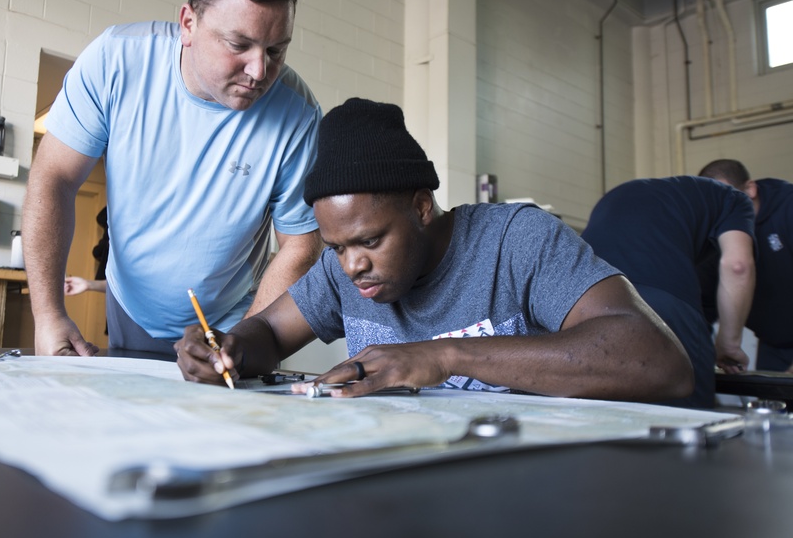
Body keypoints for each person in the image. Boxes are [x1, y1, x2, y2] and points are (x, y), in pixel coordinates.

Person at [176, 98, 694, 404]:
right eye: (336, 247)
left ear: (422, 207)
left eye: (370, 240)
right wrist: (229, 347)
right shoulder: (342, 269)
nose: (352, 264)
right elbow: (267, 331)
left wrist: (443, 356)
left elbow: (657, 360)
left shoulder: (518, 240)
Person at [24, 0, 323, 359]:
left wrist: (248, 340)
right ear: (188, 24)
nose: (259, 71)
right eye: (239, 45)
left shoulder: (299, 114)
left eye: (276, 50)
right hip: (130, 307)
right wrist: (49, 314)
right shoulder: (116, 60)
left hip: (233, 316)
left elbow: (300, 244)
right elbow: (53, 178)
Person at [580, 175, 756, 408]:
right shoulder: (734, 198)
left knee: (607, 423)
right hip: (663, 306)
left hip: (587, 305)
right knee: (687, 426)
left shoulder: (618, 194)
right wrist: (729, 345)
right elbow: (738, 265)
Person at [699, 159, 793, 372]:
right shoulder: (715, 237)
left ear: (750, 189)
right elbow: (702, 305)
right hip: (773, 345)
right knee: (773, 403)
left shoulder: (788, 208)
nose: (722, 212)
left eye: (728, 199)